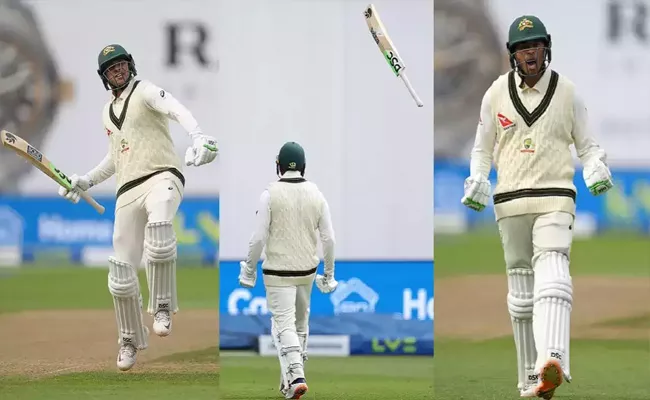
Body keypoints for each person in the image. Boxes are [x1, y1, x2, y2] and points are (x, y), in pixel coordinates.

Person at [460, 15, 613, 399]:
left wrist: (595, 165)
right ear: (513, 54)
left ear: (546, 47)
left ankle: (554, 358)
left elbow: (588, 146)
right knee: (522, 298)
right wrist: (478, 178)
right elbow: (482, 149)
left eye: (535, 46)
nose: (530, 54)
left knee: (554, 268)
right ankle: (533, 380)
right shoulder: (495, 93)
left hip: (555, 197)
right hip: (510, 202)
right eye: (522, 48)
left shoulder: (567, 92)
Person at [58, 44, 218, 371]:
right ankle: (129, 339)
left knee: (159, 230)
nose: (117, 71)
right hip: (127, 189)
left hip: (162, 174)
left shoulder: (145, 92)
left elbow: (176, 108)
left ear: (130, 65)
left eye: (121, 65)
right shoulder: (107, 112)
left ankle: (161, 306)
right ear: (104, 77)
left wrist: (198, 135)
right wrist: (85, 181)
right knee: (120, 273)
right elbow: (116, 157)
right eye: (110, 69)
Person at [238, 141, 337, 399]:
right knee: (300, 324)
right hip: (307, 270)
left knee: (283, 324)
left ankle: (296, 376)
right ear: (303, 166)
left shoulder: (269, 194)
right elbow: (329, 239)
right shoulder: (316, 194)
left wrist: (248, 269)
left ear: (278, 166)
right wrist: (329, 274)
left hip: (278, 272)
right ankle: (288, 383)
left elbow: (258, 238)